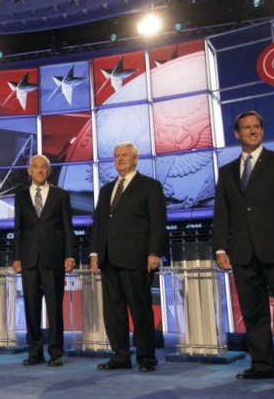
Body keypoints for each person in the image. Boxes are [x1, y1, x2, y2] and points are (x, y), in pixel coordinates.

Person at [213, 110, 274, 386]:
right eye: (247, 127)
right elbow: (222, 214)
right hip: (243, 253)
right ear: (237, 133)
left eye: (257, 126)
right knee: (254, 314)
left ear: (261, 130)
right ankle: (261, 365)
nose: (253, 131)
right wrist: (221, 248)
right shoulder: (227, 171)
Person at [90, 142, 165, 373]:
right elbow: (99, 224)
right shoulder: (106, 189)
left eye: (125, 155)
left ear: (135, 159)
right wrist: (94, 252)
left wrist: (154, 252)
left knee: (140, 310)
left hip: (137, 258)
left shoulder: (150, 186)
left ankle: (146, 358)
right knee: (114, 313)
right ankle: (120, 355)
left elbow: (158, 222)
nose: (120, 159)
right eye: (116, 156)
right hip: (108, 259)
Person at [12, 154, 76, 367]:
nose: (39, 170)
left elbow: (68, 227)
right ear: (29, 170)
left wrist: (69, 254)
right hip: (29, 259)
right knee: (31, 307)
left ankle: (56, 352)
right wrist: (17, 256)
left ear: (49, 171)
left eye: (44, 167)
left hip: (54, 257)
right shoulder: (20, 196)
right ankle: (35, 352)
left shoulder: (61, 195)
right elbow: (18, 229)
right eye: (35, 167)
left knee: (55, 307)